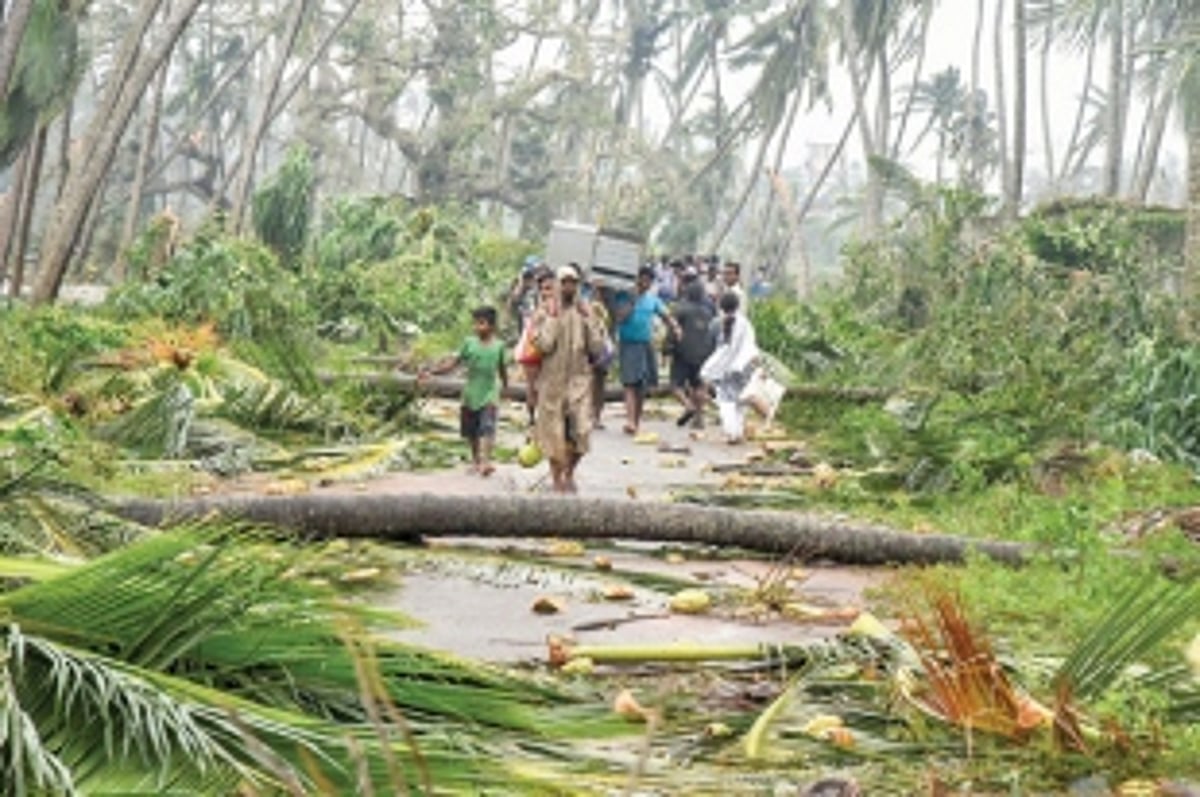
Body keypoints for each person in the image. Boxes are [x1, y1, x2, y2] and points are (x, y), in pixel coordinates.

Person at [530, 264, 607, 493]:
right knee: (553, 435)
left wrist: (589, 321)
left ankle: (570, 472)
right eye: (564, 282)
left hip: (579, 382)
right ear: (557, 285)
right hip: (551, 383)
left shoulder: (586, 311)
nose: (568, 287)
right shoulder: (543, 312)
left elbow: (597, 348)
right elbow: (543, 345)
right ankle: (557, 480)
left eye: (573, 283)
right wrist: (553, 318)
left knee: (582, 431)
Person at [421, 306, 508, 475]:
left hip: (490, 392)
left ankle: (486, 462)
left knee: (487, 427)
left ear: (492, 326)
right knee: (472, 431)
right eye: (475, 324)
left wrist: (505, 387)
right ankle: (476, 460)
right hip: (470, 392)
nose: (477, 327)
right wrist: (431, 372)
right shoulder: (469, 343)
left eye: (481, 323)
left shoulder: (499, 346)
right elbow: (453, 364)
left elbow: (502, 369)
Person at [615, 265, 681, 435]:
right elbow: (621, 318)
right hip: (628, 344)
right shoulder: (624, 296)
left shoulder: (653, 299)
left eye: (648, 280)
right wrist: (633, 301)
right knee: (629, 383)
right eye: (642, 279)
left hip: (645, 345)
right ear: (636, 279)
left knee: (643, 386)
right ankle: (630, 421)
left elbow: (665, 314)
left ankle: (636, 421)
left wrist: (675, 327)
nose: (644, 283)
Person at [701, 292, 759, 445]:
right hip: (744, 367)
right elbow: (752, 345)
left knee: (726, 401)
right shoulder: (746, 324)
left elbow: (712, 346)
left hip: (725, 368)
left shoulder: (716, 323)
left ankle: (731, 432)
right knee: (741, 400)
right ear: (738, 305)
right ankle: (738, 431)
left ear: (720, 306)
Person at [670, 279, 716, 428]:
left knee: (675, 385)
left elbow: (673, 330)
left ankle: (688, 405)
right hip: (703, 355)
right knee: (699, 386)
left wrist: (668, 347)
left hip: (683, 353)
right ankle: (699, 418)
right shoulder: (709, 312)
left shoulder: (680, 309)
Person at [515, 266, 556, 424]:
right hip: (534, 348)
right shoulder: (533, 303)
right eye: (545, 288)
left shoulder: (562, 304)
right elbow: (531, 326)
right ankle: (532, 418)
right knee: (533, 386)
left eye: (551, 288)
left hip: (552, 349)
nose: (548, 292)